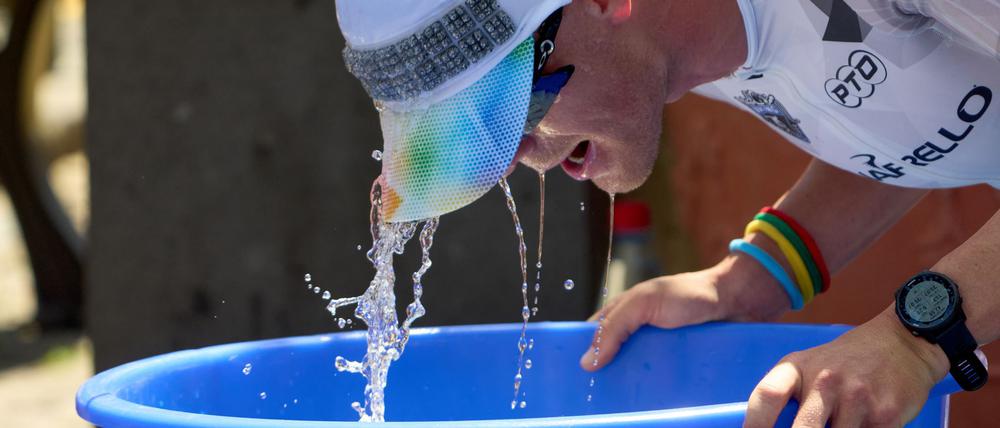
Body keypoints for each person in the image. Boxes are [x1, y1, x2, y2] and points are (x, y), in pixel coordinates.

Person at [336, 0, 999, 426]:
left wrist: (915, 340)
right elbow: (909, 116)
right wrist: (753, 279)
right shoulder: (674, 49)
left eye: (517, 107)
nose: (521, 156)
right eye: (472, 134)